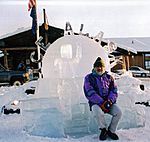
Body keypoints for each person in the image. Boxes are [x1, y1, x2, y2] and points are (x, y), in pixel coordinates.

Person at [83, 57, 122, 141]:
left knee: (118, 112)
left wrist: (109, 101)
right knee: (98, 113)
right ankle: (103, 129)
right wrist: (101, 102)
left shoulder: (109, 77)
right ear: (94, 68)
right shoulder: (89, 78)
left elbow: (114, 91)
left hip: (109, 103)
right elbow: (89, 92)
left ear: (104, 68)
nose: (99, 68)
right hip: (96, 103)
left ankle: (111, 131)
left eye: (101, 67)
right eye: (97, 67)